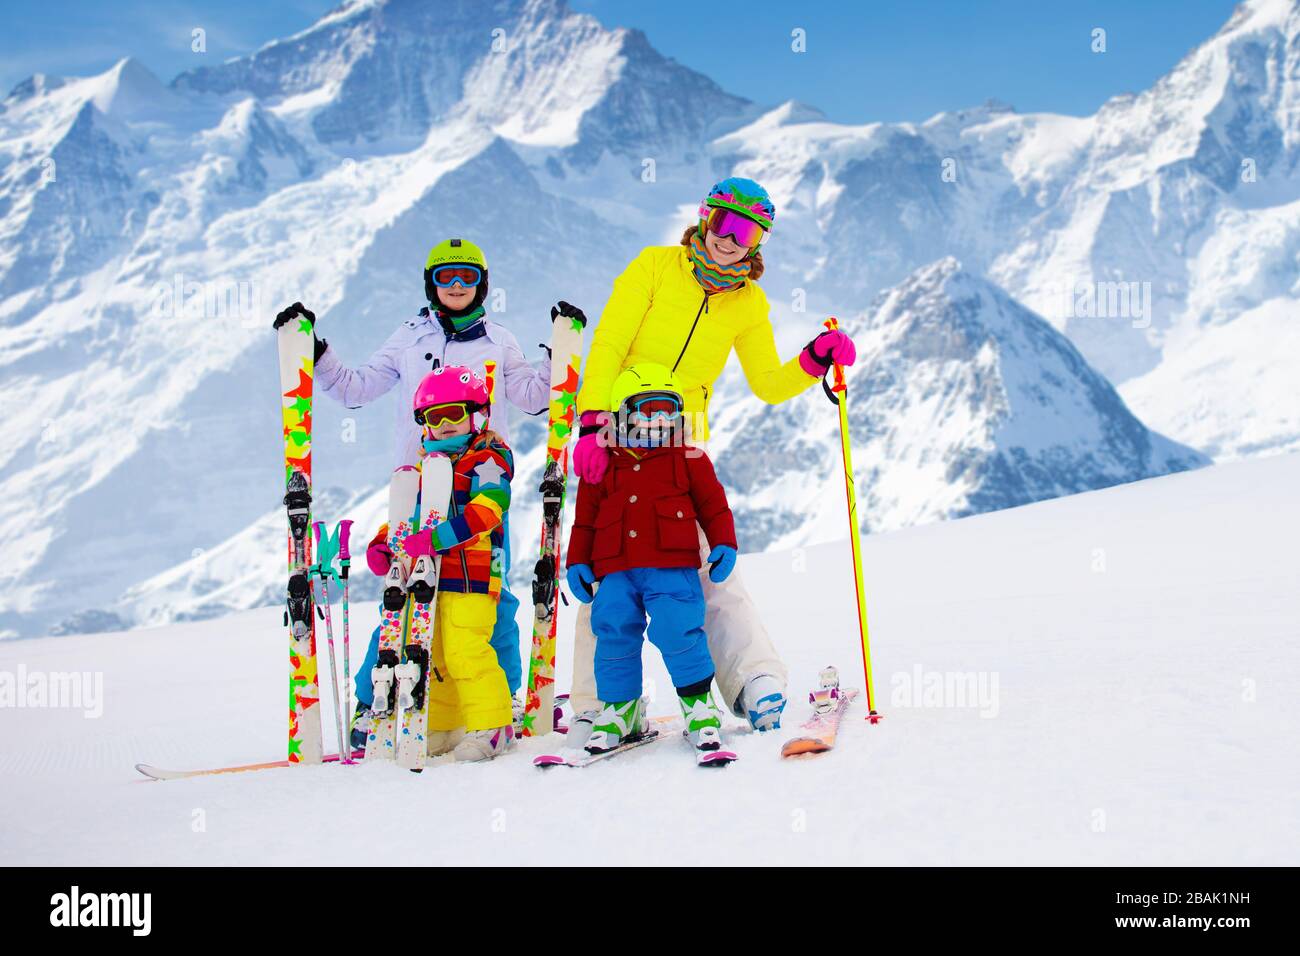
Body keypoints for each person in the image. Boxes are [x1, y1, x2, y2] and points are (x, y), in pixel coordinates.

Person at [566, 177, 858, 740]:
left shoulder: (749, 302)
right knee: (609, 570)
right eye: (724, 223)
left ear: (759, 243)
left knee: (703, 565)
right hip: (617, 429)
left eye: (747, 231)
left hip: (683, 436)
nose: (731, 239)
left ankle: (754, 681)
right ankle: (595, 699)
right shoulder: (654, 267)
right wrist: (593, 421)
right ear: (704, 219)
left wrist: (814, 356)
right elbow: (607, 343)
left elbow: (769, 384)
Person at [272, 239, 587, 729]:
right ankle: (370, 706)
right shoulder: (409, 338)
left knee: (492, 596)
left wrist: (559, 350)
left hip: (482, 486)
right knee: (403, 595)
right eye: (446, 278)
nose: (457, 286)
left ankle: (499, 699)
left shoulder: (499, 340)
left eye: (466, 277)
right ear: (431, 284)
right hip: (416, 484)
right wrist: (317, 354)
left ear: (482, 283)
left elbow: (531, 397)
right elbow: (357, 388)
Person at [565, 364, 738, 757]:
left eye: (668, 409)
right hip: (615, 570)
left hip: (670, 566)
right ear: (622, 411)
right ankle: (620, 711)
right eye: (647, 408)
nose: (659, 419)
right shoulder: (603, 461)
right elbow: (585, 520)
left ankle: (698, 706)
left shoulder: (688, 456)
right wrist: (578, 561)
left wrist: (723, 542)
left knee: (679, 630)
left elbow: (714, 505)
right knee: (612, 634)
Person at [358, 365, 516, 762]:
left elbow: (489, 509)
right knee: (436, 654)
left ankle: (494, 724)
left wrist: (437, 539)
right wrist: (384, 544)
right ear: (423, 424)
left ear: (476, 412)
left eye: (454, 414)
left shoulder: (488, 458)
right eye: (434, 417)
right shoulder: (423, 469)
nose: (445, 425)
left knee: (467, 648)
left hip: (473, 576)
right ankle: (445, 726)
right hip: (429, 580)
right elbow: (405, 517)